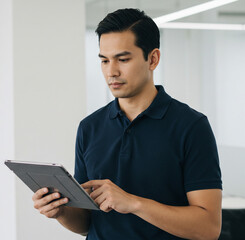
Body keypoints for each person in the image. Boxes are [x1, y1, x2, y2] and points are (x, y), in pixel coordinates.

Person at [32, 8, 222, 240]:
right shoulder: (89, 127)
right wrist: (61, 212)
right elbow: (87, 224)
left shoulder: (191, 126)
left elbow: (208, 228)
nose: (111, 71)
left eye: (123, 59)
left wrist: (133, 203)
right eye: (104, 60)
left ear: (152, 59)